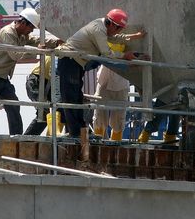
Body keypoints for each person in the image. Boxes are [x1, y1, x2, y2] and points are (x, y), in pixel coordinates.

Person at [0, 8, 61, 135]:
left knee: (13, 105)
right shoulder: (8, 33)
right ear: (23, 23)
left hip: (2, 77)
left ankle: (16, 136)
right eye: (31, 27)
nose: (31, 30)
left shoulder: (22, 35)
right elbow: (15, 55)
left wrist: (56, 43)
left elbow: (36, 41)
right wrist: (36, 51)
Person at [57, 9, 146, 138]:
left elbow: (114, 38)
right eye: (119, 28)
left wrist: (134, 36)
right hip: (69, 60)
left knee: (76, 97)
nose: (119, 31)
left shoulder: (103, 26)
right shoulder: (98, 30)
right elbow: (107, 54)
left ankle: (81, 131)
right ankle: (76, 133)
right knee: (70, 98)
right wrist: (125, 56)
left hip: (76, 62)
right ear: (112, 24)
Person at [23, 55, 64, 135]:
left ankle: (52, 135)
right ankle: (27, 140)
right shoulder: (56, 53)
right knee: (43, 112)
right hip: (36, 81)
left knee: (60, 109)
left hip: (48, 83)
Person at [92, 62, 130, 141]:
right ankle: (97, 145)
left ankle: (115, 148)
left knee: (118, 120)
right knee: (99, 117)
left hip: (122, 82)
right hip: (104, 79)